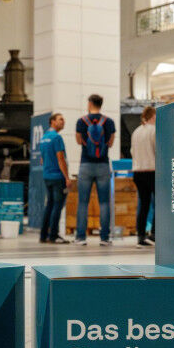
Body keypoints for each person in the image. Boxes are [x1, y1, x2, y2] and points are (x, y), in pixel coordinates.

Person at [74, 94, 116, 246]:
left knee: (83, 202)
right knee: (104, 202)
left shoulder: (81, 121)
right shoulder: (109, 122)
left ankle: (80, 237)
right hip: (103, 165)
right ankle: (104, 238)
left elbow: (79, 141)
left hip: (85, 165)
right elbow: (110, 143)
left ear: (90, 103)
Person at [39, 113, 71, 244]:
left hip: (47, 176)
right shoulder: (57, 138)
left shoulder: (44, 138)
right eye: (60, 119)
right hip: (58, 177)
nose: (63, 121)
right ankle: (53, 235)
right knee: (57, 206)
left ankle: (43, 235)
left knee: (50, 205)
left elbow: (42, 160)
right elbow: (60, 158)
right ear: (52, 121)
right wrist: (67, 177)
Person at [131, 106, 156, 248]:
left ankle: (140, 236)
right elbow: (158, 150)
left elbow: (132, 151)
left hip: (138, 172)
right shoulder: (154, 130)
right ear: (153, 116)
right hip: (152, 171)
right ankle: (154, 234)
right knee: (158, 204)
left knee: (143, 205)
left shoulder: (136, 131)